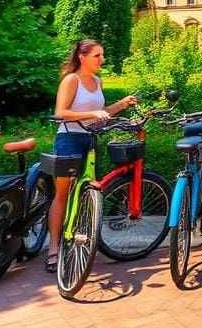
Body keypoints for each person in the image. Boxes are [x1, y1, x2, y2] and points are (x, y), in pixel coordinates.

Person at [46, 39, 137, 273]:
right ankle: (53, 249)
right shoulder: (71, 80)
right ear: (82, 57)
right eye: (97, 55)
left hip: (90, 140)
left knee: (86, 191)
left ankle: (80, 237)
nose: (101, 59)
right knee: (63, 195)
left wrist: (121, 105)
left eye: (102, 55)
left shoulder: (97, 81)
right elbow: (61, 113)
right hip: (69, 139)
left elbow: (102, 113)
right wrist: (91, 113)